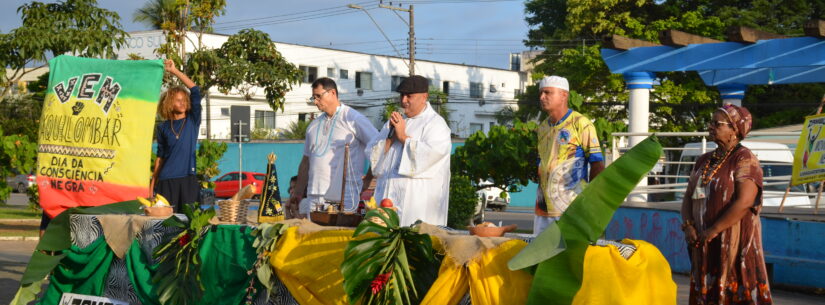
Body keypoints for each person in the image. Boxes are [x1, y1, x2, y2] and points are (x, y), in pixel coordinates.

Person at [681, 104, 772, 305]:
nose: (711, 126)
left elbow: (745, 201)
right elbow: (688, 196)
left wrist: (714, 229)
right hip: (703, 242)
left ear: (734, 129)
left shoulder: (744, 158)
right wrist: (688, 226)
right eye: (711, 122)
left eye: (717, 123)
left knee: (735, 288)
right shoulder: (703, 160)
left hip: (733, 241)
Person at [365, 75, 452, 226]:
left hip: (416, 205)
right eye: (402, 95)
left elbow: (431, 155)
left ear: (424, 97)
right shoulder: (393, 122)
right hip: (385, 201)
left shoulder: (436, 124)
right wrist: (391, 137)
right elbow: (373, 156)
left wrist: (403, 137)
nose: (404, 100)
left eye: (409, 96)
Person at [289, 77, 378, 218]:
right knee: (313, 236)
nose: (315, 101)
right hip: (314, 194)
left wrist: (367, 179)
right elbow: (306, 161)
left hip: (345, 194)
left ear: (332, 93)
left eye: (319, 96)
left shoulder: (353, 119)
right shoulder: (313, 125)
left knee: (337, 236)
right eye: (314, 97)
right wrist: (298, 193)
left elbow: (378, 148)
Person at [534, 75, 604, 234]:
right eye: (540, 93)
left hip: (570, 206)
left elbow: (597, 163)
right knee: (540, 254)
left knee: (567, 255)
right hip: (543, 207)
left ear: (564, 95)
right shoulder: (542, 127)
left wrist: (593, 201)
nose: (542, 97)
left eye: (547, 92)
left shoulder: (581, 123)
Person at [151, 59, 201, 211]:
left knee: (190, 223)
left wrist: (174, 71)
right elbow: (160, 158)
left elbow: (195, 90)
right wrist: (152, 184)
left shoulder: (193, 120)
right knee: (166, 225)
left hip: (188, 180)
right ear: (169, 104)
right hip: (166, 181)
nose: (182, 103)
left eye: (184, 100)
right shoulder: (164, 127)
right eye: (178, 100)